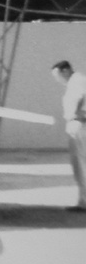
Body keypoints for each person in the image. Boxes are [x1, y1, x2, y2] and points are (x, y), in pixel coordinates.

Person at [50, 60, 86, 212]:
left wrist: (77, 112)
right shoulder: (75, 82)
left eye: (57, 75)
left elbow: (82, 96)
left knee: (81, 164)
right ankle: (83, 200)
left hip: (79, 124)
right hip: (77, 123)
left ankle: (84, 202)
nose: (57, 79)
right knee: (80, 164)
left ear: (65, 70)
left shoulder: (77, 80)